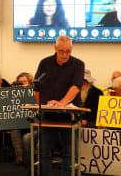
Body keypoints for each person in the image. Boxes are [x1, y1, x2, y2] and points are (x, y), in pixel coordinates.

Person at [34, 36, 84, 176]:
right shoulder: (45, 63)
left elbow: (75, 87)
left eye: (68, 51)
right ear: (55, 49)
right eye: (61, 51)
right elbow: (37, 87)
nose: (65, 55)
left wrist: (62, 103)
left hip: (69, 114)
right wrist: (42, 105)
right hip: (48, 114)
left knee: (69, 152)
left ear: (71, 49)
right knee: (43, 150)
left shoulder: (78, 64)